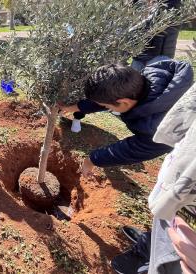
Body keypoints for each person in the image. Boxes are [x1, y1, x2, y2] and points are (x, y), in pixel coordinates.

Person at [112, 79, 196, 274]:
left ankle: (154, 265)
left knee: (180, 257)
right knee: (169, 215)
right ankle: (152, 244)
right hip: (185, 177)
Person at [59, 57, 193, 178]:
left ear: (124, 102)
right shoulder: (149, 79)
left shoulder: (160, 127)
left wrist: (92, 159)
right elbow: (107, 100)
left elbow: (133, 149)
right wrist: (74, 108)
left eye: (108, 106)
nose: (108, 108)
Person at [131, 0, 182, 72]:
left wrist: (130, 29)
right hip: (147, 54)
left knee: (142, 80)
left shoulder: (170, 4)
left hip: (156, 55)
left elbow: (153, 21)